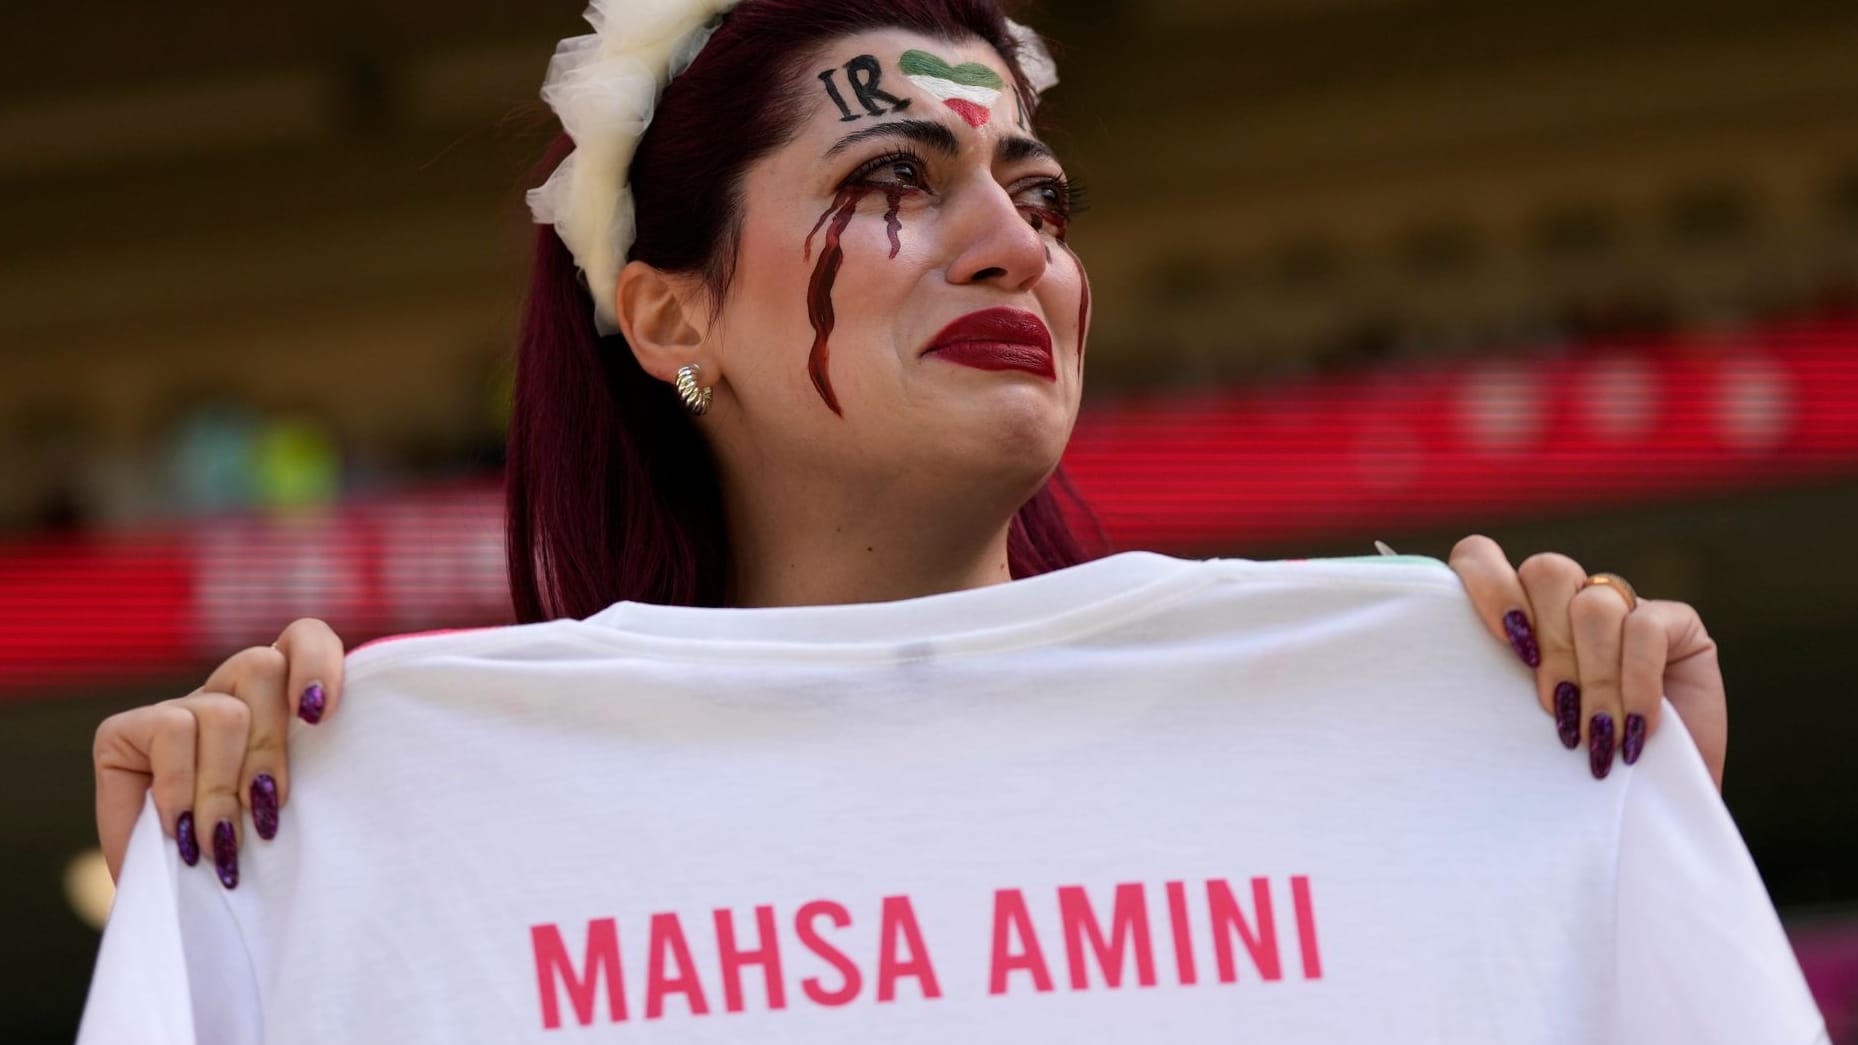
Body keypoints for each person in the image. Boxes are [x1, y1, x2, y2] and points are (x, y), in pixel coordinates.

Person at [83, 1, 1818, 1041]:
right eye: (892, 182)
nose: (1017, 246)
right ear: (669, 314)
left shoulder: (1458, 710)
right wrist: (245, 872)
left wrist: (1592, 834)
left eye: (1038, 192)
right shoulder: (356, 804)